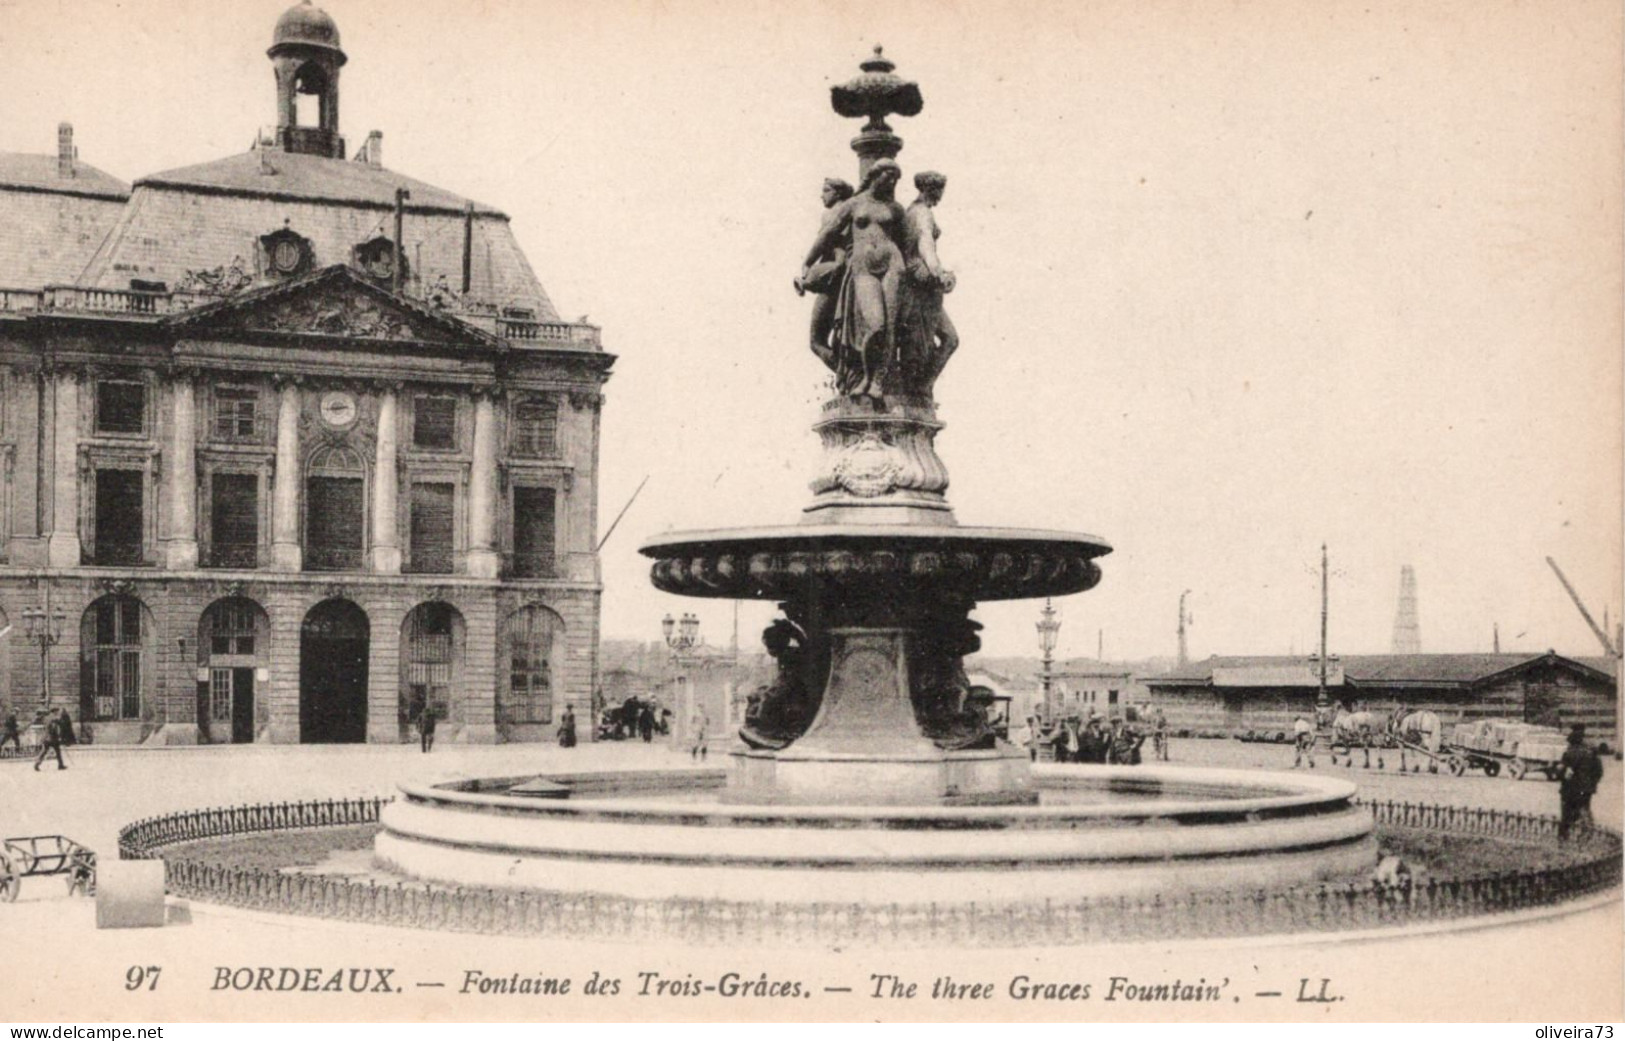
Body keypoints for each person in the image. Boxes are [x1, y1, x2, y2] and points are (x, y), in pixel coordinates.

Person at [799, 159, 906, 397]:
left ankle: (878, 380)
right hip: (863, 267)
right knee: (875, 324)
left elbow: (909, 243)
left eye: (895, 179)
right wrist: (808, 261)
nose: (891, 183)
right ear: (874, 175)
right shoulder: (854, 203)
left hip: (892, 264)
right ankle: (866, 375)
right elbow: (829, 233)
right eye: (887, 177)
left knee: (889, 327)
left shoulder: (896, 209)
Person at [898, 170, 959, 390]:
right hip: (921, 284)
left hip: (918, 281)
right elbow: (925, 244)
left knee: (927, 341)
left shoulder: (911, 211)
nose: (941, 195)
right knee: (927, 342)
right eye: (940, 190)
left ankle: (922, 388)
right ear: (931, 189)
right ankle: (919, 389)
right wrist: (939, 273)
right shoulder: (922, 213)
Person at [794, 177, 855, 374]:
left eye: (826, 190)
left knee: (816, 341)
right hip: (847, 275)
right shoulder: (852, 208)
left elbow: (825, 239)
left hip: (833, 282)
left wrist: (807, 263)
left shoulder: (832, 213)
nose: (822, 195)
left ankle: (845, 375)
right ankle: (848, 374)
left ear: (837, 193)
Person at [1557, 724, 1604, 840]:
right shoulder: (1591, 752)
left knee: (1567, 812)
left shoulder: (1569, 753)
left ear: (1571, 741)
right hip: (1587, 788)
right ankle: (1586, 833)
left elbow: (1562, 772)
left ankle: (1564, 836)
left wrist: (1560, 774)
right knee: (1584, 809)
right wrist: (1592, 783)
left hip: (1570, 789)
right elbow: (1599, 771)